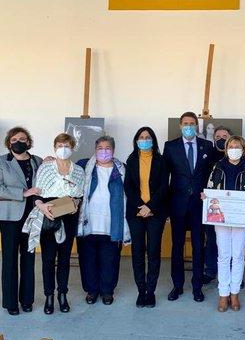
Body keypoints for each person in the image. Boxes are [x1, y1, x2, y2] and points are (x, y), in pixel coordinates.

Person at [24, 133, 85, 314]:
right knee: (48, 258)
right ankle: (49, 296)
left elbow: (80, 195)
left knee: (64, 258)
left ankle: (62, 295)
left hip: (69, 215)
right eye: (59, 145)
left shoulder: (79, 171)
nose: (63, 148)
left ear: (72, 147)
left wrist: (76, 204)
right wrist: (41, 206)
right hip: (49, 213)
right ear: (54, 147)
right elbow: (37, 194)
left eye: (66, 145)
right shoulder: (45, 168)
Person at [204, 136, 245, 312]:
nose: (234, 148)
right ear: (226, 148)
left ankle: (234, 293)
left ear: (243, 149)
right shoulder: (217, 167)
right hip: (220, 218)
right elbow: (209, 188)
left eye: (238, 146)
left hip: (241, 219)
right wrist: (206, 197)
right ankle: (223, 294)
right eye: (231, 145)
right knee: (223, 255)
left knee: (237, 255)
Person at [163, 111, 216, 302]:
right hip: (177, 205)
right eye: (185, 123)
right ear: (180, 125)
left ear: (197, 126)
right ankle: (177, 286)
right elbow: (164, 178)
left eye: (192, 123)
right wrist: (166, 207)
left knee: (198, 247)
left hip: (199, 205)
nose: (189, 126)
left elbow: (212, 174)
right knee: (176, 247)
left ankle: (197, 287)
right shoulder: (170, 147)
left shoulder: (207, 146)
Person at [0, 127, 42, 315]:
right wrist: (23, 193)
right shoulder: (1, 162)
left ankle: (27, 300)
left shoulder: (37, 161)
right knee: (10, 259)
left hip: (33, 216)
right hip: (10, 217)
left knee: (29, 259)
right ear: (9, 142)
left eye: (23, 139)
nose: (18, 142)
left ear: (28, 142)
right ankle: (11, 303)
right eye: (14, 139)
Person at [78, 136, 130, 305]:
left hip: (112, 224)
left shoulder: (122, 170)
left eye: (107, 148)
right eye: (100, 148)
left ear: (113, 150)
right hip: (88, 223)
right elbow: (64, 168)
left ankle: (107, 291)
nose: (104, 151)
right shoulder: (84, 166)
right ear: (95, 150)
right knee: (88, 260)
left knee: (110, 261)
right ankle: (92, 291)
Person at [124, 127, 169, 308]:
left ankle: (151, 292)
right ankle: (140, 291)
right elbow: (128, 186)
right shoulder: (131, 159)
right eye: (141, 137)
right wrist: (140, 206)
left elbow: (164, 187)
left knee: (153, 252)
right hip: (136, 212)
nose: (144, 140)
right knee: (137, 252)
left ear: (153, 140)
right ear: (136, 140)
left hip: (155, 212)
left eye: (147, 137)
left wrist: (150, 206)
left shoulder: (161, 160)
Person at [204, 125, 233, 283]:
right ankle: (210, 271)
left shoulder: (240, 157)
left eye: (225, 136)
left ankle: (232, 272)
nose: (222, 139)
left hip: (233, 207)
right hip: (213, 206)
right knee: (211, 239)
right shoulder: (208, 157)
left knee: (231, 241)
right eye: (218, 137)